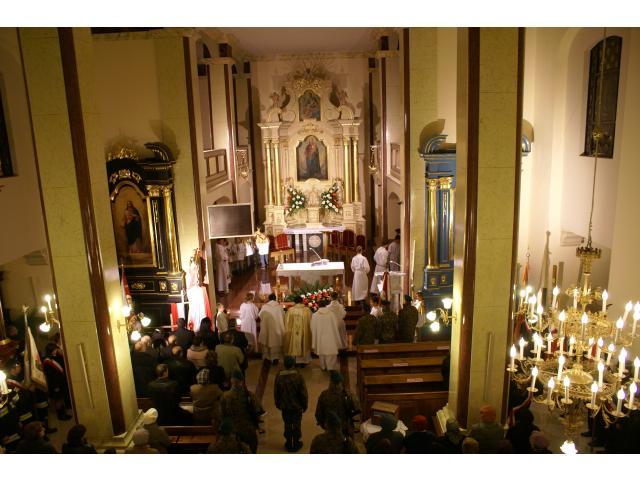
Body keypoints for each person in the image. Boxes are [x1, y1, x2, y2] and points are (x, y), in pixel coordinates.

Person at [221, 371, 263, 453]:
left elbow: (222, 415)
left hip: (233, 431)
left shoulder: (225, 396)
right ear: (242, 381)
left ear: (231, 380)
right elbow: (258, 411)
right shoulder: (249, 395)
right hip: (248, 430)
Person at [274, 356, 308, 452]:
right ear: (293, 364)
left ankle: (288, 442)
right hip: (297, 406)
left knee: (287, 424)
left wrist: (278, 403)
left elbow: (276, 392)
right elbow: (303, 393)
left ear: (284, 364)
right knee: (296, 424)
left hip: (285, 406)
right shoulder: (298, 376)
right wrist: (305, 405)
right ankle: (296, 442)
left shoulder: (279, 376)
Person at [315, 371, 360, 437]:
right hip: (344, 429)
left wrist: (324, 425)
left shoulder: (323, 395)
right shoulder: (347, 395)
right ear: (340, 383)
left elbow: (318, 415)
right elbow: (357, 409)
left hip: (329, 428)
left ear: (330, 382)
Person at [310, 300, 345, 371]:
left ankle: (323, 366)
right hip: (330, 337)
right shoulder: (331, 314)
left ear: (318, 306)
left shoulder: (315, 315)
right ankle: (330, 367)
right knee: (331, 353)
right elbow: (336, 325)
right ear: (326, 305)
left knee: (321, 353)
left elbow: (312, 327)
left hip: (320, 337)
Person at [42, 342, 72, 420]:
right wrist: (55, 386)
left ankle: (63, 412)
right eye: (55, 349)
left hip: (61, 382)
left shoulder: (56, 357)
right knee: (58, 399)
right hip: (55, 384)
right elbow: (50, 376)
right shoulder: (47, 361)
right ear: (51, 350)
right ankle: (60, 415)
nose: (56, 350)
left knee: (61, 398)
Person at [283, 296, 313, 367]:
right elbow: (311, 322)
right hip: (304, 332)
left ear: (294, 302)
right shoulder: (307, 310)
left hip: (293, 333)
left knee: (294, 343)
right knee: (304, 343)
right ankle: (304, 361)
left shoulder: (290, 310)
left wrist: (288, 331)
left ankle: (294, 361)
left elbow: (286, 322)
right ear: (302, 301)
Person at [258, 293, 286, 364]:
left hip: (267, 328)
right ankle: (275, 358)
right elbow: (283, 317)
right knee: (276, 342)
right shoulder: (279, 307)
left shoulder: (265, 306)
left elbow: (260, 316)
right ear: (275, 298)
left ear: (269, 299)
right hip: (277, 328)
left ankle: (267, 358)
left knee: (267, 341)